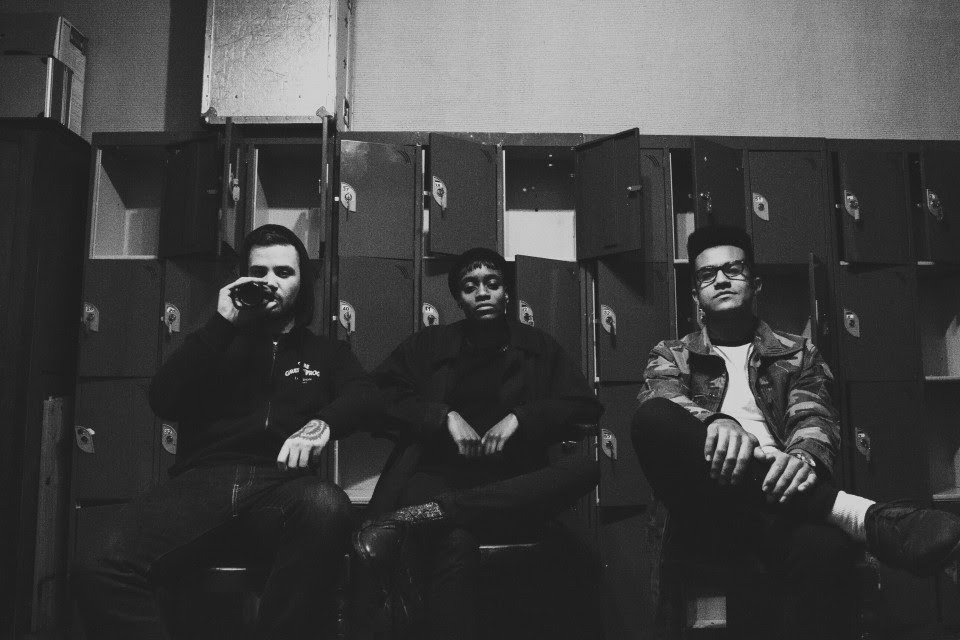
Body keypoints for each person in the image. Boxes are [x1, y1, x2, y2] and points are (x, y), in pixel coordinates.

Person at [631, 225, 960, 639]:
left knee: (826, 548)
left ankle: (835, 512)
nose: (721, 280)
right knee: (653, 418)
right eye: (707, 274)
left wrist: (801, 459)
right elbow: (660, 401)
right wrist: (717, 423)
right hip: (706, 505)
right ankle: (859, 516)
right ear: (696, 295)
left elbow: (814, 419)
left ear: (756, 283)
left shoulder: (798, 353)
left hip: (783, 497)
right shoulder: (671, 354)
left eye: (733, 269)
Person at [72, 224, 380, 639]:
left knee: (326, 505)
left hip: (281, 487)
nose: (270, 281)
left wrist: (321, 423)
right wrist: (221, 324)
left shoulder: (327, 352)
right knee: (98, 564)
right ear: (243, 279)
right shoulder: (216, 342)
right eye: (259, 272)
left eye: (284, 273)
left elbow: (366, 396)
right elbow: (163, 399)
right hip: (202, 484)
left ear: (302, 283)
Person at [353, 247, 603, 640]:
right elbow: (374, 395)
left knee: (586, 467)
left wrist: (522, 417)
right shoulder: (431, 345)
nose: (482, 292)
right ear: (458, 298)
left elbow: (585, 405)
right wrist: (442, 416)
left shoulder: (537, 347)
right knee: (454, 541)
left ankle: (443, 512)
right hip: (440, 477)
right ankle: (445, 512)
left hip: (512, 485)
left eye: (492, 283)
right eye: (470, 286)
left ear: (507, 292)